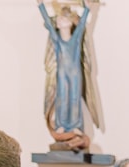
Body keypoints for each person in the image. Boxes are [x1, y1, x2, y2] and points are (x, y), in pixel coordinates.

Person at [37, 0, 103, 151]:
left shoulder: (75, 40)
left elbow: (81, 27)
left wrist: (87, 9)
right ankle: (61, 126)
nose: (60, 19)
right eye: (59, 18)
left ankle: (75, 126)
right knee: (62, 99)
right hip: (61, 75)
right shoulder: (57, 40)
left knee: (74, 99)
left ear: (70, 23)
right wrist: (40, 5)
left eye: (64, 18)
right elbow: (48, 22)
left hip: (75, 75)